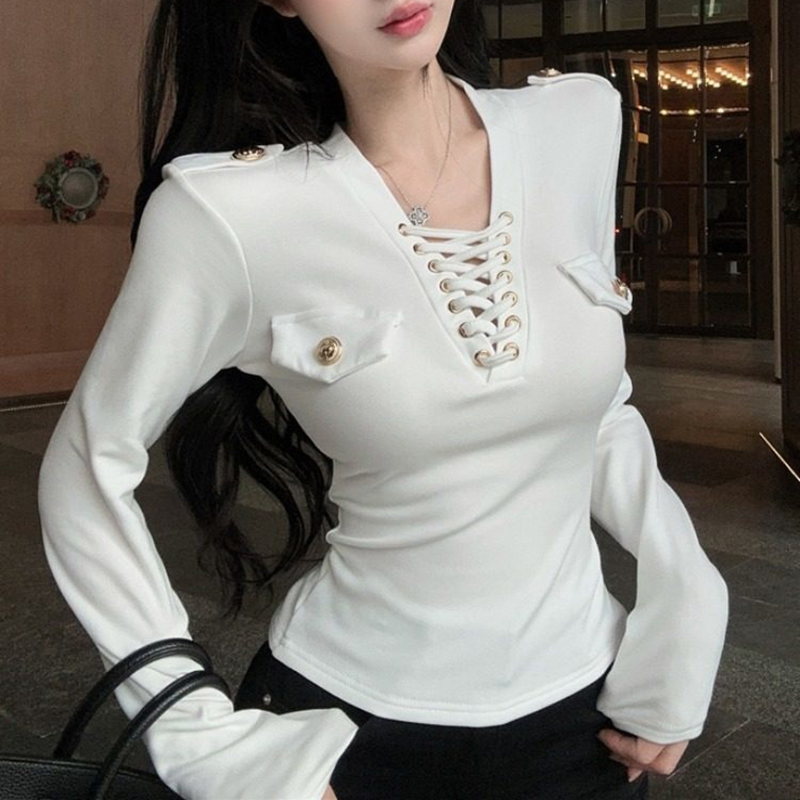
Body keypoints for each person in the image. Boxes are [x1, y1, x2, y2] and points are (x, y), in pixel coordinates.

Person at [37, 0, 730, 798]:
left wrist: (687, 604)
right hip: (349, 734)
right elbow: (85, 467)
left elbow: (595, 408)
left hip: (587, 720)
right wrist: (201, 739)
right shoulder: (230, 214)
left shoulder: (576, 122)